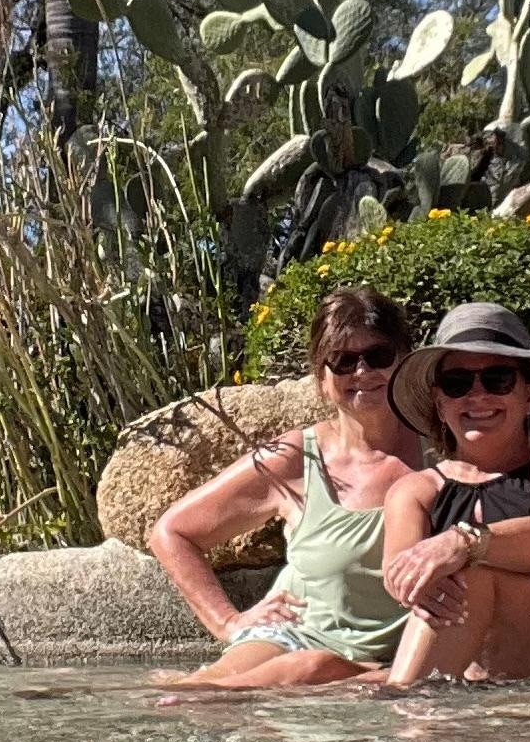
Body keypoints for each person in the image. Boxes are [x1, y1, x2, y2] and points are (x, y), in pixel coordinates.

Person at [147, 287, 422, 687]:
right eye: (343, 361)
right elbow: (171, 532)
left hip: (386, 660)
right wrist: (228, 622)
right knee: (203, 693)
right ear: (321, 378)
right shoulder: (295, 457)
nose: (362, 372)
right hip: (291, 638)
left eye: (378, 356)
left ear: (405, 362)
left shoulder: (445, 452)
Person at [380, 303, 530, 685]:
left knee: (470, 574)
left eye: (498, 379)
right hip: (465, 668)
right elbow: (399, 574)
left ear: (529, 396)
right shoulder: (415, 491)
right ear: (440, 405)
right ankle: (410, 707)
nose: (477, 396)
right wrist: (421, 578)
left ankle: (401, 712)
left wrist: (465, 543)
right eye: (458, 384)